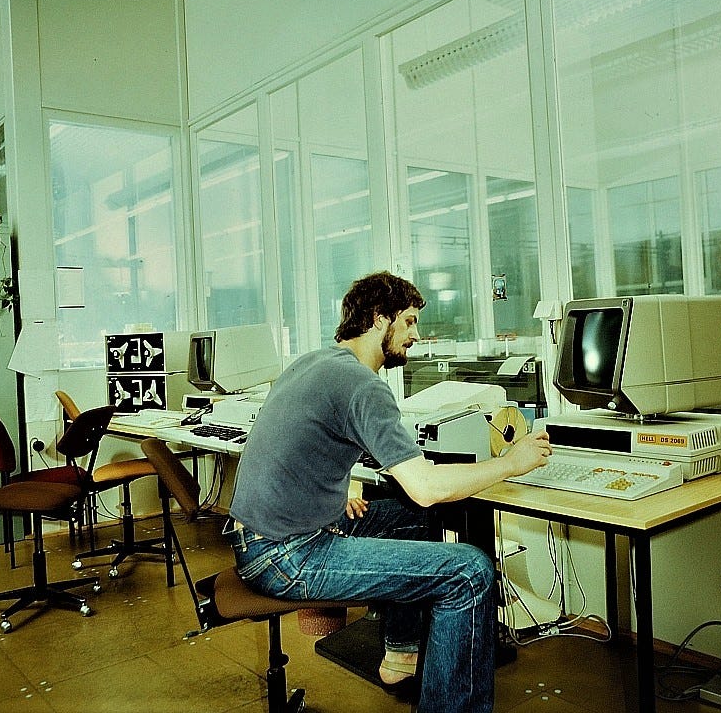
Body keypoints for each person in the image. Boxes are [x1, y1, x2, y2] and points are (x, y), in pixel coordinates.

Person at [227, 271, 551, 713]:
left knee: (415, 518)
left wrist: (335, 491)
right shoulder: (362, 385)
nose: (416, 335)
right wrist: (511, 463)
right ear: (380, 319)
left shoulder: (316, 362)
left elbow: (301, 443)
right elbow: (426, 489)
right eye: (411, 322)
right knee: (469, 571)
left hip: (260, 534)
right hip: (286, 556)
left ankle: (400, 653)